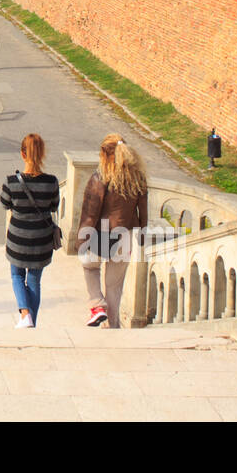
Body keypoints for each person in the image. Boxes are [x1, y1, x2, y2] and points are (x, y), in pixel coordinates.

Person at [79, 133, 149, 328]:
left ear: (103, 154)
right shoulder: (138, 178)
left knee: (90, 267)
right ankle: (113, 325)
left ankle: (97, 305)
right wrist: (142, 236)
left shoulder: (100, 177)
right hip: (124, 236)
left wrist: (82, 238)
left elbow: (90, 212)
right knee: (114, 286)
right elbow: (143, 212)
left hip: (101, 233)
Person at [0, 134, 60, 328]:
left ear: (22, 154)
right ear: (42, 154)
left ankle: (25, 314)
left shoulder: (11, 182)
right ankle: (31, 321)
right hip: (41, 240)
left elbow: (4, 203)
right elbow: (54, 206)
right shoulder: (51, 182)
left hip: (18, 239)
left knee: (17, 275)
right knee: (34, 281)